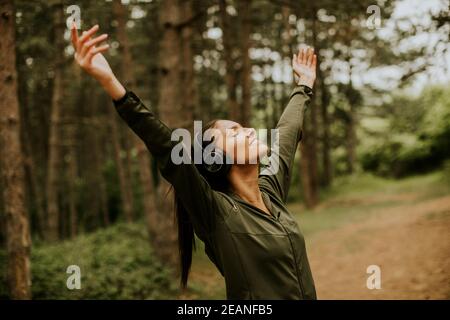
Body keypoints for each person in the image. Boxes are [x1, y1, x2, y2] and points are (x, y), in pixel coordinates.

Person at [71, 23, 317, 300]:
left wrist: (304, 85)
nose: (248, 130)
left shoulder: (271, 191)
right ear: (215, 158)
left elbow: (286, 132)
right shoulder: (216, 212)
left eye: (242, 126)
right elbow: (165, 145)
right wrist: (111, 84)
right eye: (233, 131)